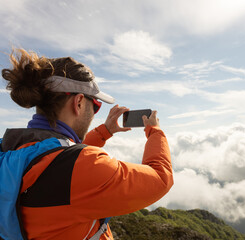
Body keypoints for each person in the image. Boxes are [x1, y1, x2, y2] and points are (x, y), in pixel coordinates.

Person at [0, 49, 173, 240]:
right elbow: (160, 179)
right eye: (96, 105)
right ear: (79, 102)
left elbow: (60, 158)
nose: (95, 112)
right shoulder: (84, 167)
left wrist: (103, 132)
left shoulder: (11, 150)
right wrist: (155, 131)